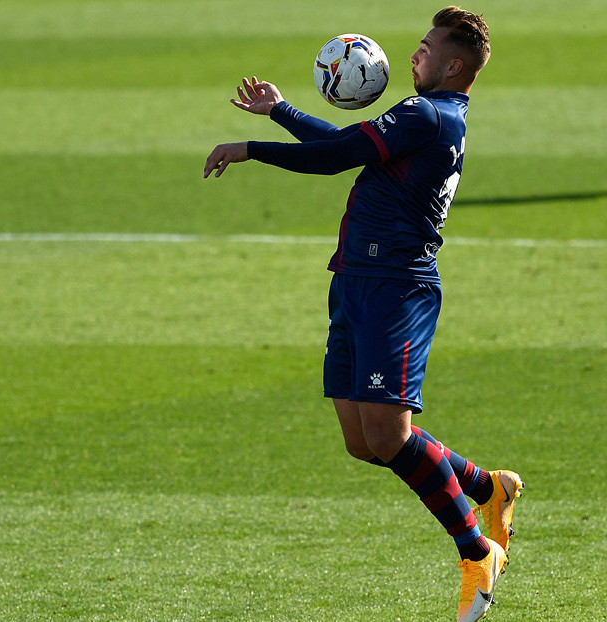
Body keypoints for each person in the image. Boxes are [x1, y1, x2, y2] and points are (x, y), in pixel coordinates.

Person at [203, 7, 522, 622]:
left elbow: (335, 157)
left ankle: (476, 551)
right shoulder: (428, 116)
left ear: (454, 65)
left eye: (427, 48)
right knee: (363, 441)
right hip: (354, 279)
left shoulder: (427, 114)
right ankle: (489, 487)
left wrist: (250, 148)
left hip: (394, 288)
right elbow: (347, 146)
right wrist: (281, 111)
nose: (415, 54)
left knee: (388, 435)